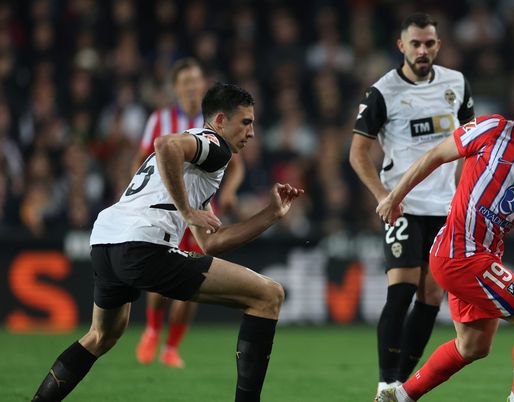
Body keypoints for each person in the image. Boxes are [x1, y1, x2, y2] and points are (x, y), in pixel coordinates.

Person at [31, 83, 303, 402]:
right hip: (143, 244)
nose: (253, 132)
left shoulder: (198, 165)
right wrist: (187, 211)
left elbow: (212, 244)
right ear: (219, 121)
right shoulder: (214, 144)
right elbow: (165, 144)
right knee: (268, 296)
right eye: (246, 122)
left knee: (101, 335)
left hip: (106, 242)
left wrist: (271, 213)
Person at [374, 77, 514, 402]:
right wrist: (395, 196)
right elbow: (434, 156)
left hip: (482, 259)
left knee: (473, 346)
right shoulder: (493, 130)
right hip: (458, 253)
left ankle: (400, 397)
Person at [349, 12, 475, 396]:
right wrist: (383, 196)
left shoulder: (457, 84)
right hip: (403, 205)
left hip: (446, 207)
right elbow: (357, 153)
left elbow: (471, 143)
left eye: (430, 43)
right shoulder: (383, 91)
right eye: (416, 43)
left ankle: (399, 387)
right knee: (401, 290)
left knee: (432, 296)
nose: (423, 50)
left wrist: (468, 196)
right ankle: (385, 379)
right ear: (401, 46)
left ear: (438, 45)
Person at [133, 58, 245, 368]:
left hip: (202, 209)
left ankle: (171, 347)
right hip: (167, 209)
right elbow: (144, 158)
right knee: (161, 275)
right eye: (186, 81)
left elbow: (236, 164)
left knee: (193, 277)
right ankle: (154, 329)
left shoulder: (217, 120)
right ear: (176, 87)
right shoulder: (160, 119)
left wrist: (231, 191)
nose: (193, 86)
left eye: (197, 80)